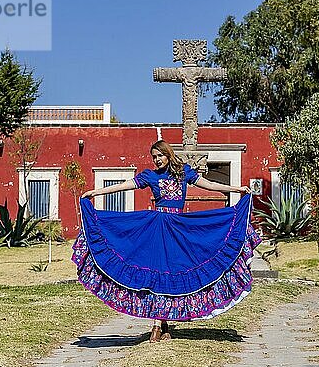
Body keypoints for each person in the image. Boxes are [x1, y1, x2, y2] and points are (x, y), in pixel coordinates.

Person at [74, 140, 260, 342]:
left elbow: (211, 185)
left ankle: (164, 324)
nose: (156, 160)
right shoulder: (151, 176)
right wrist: (95, 192)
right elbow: (125, 186)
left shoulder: (184, 173)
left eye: (159, 156)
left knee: (174, 272)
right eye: (153, 157)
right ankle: (157, 325)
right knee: (159, 272)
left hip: (179, 228)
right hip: (158, 228)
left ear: (168, 155)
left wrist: (237, 189)